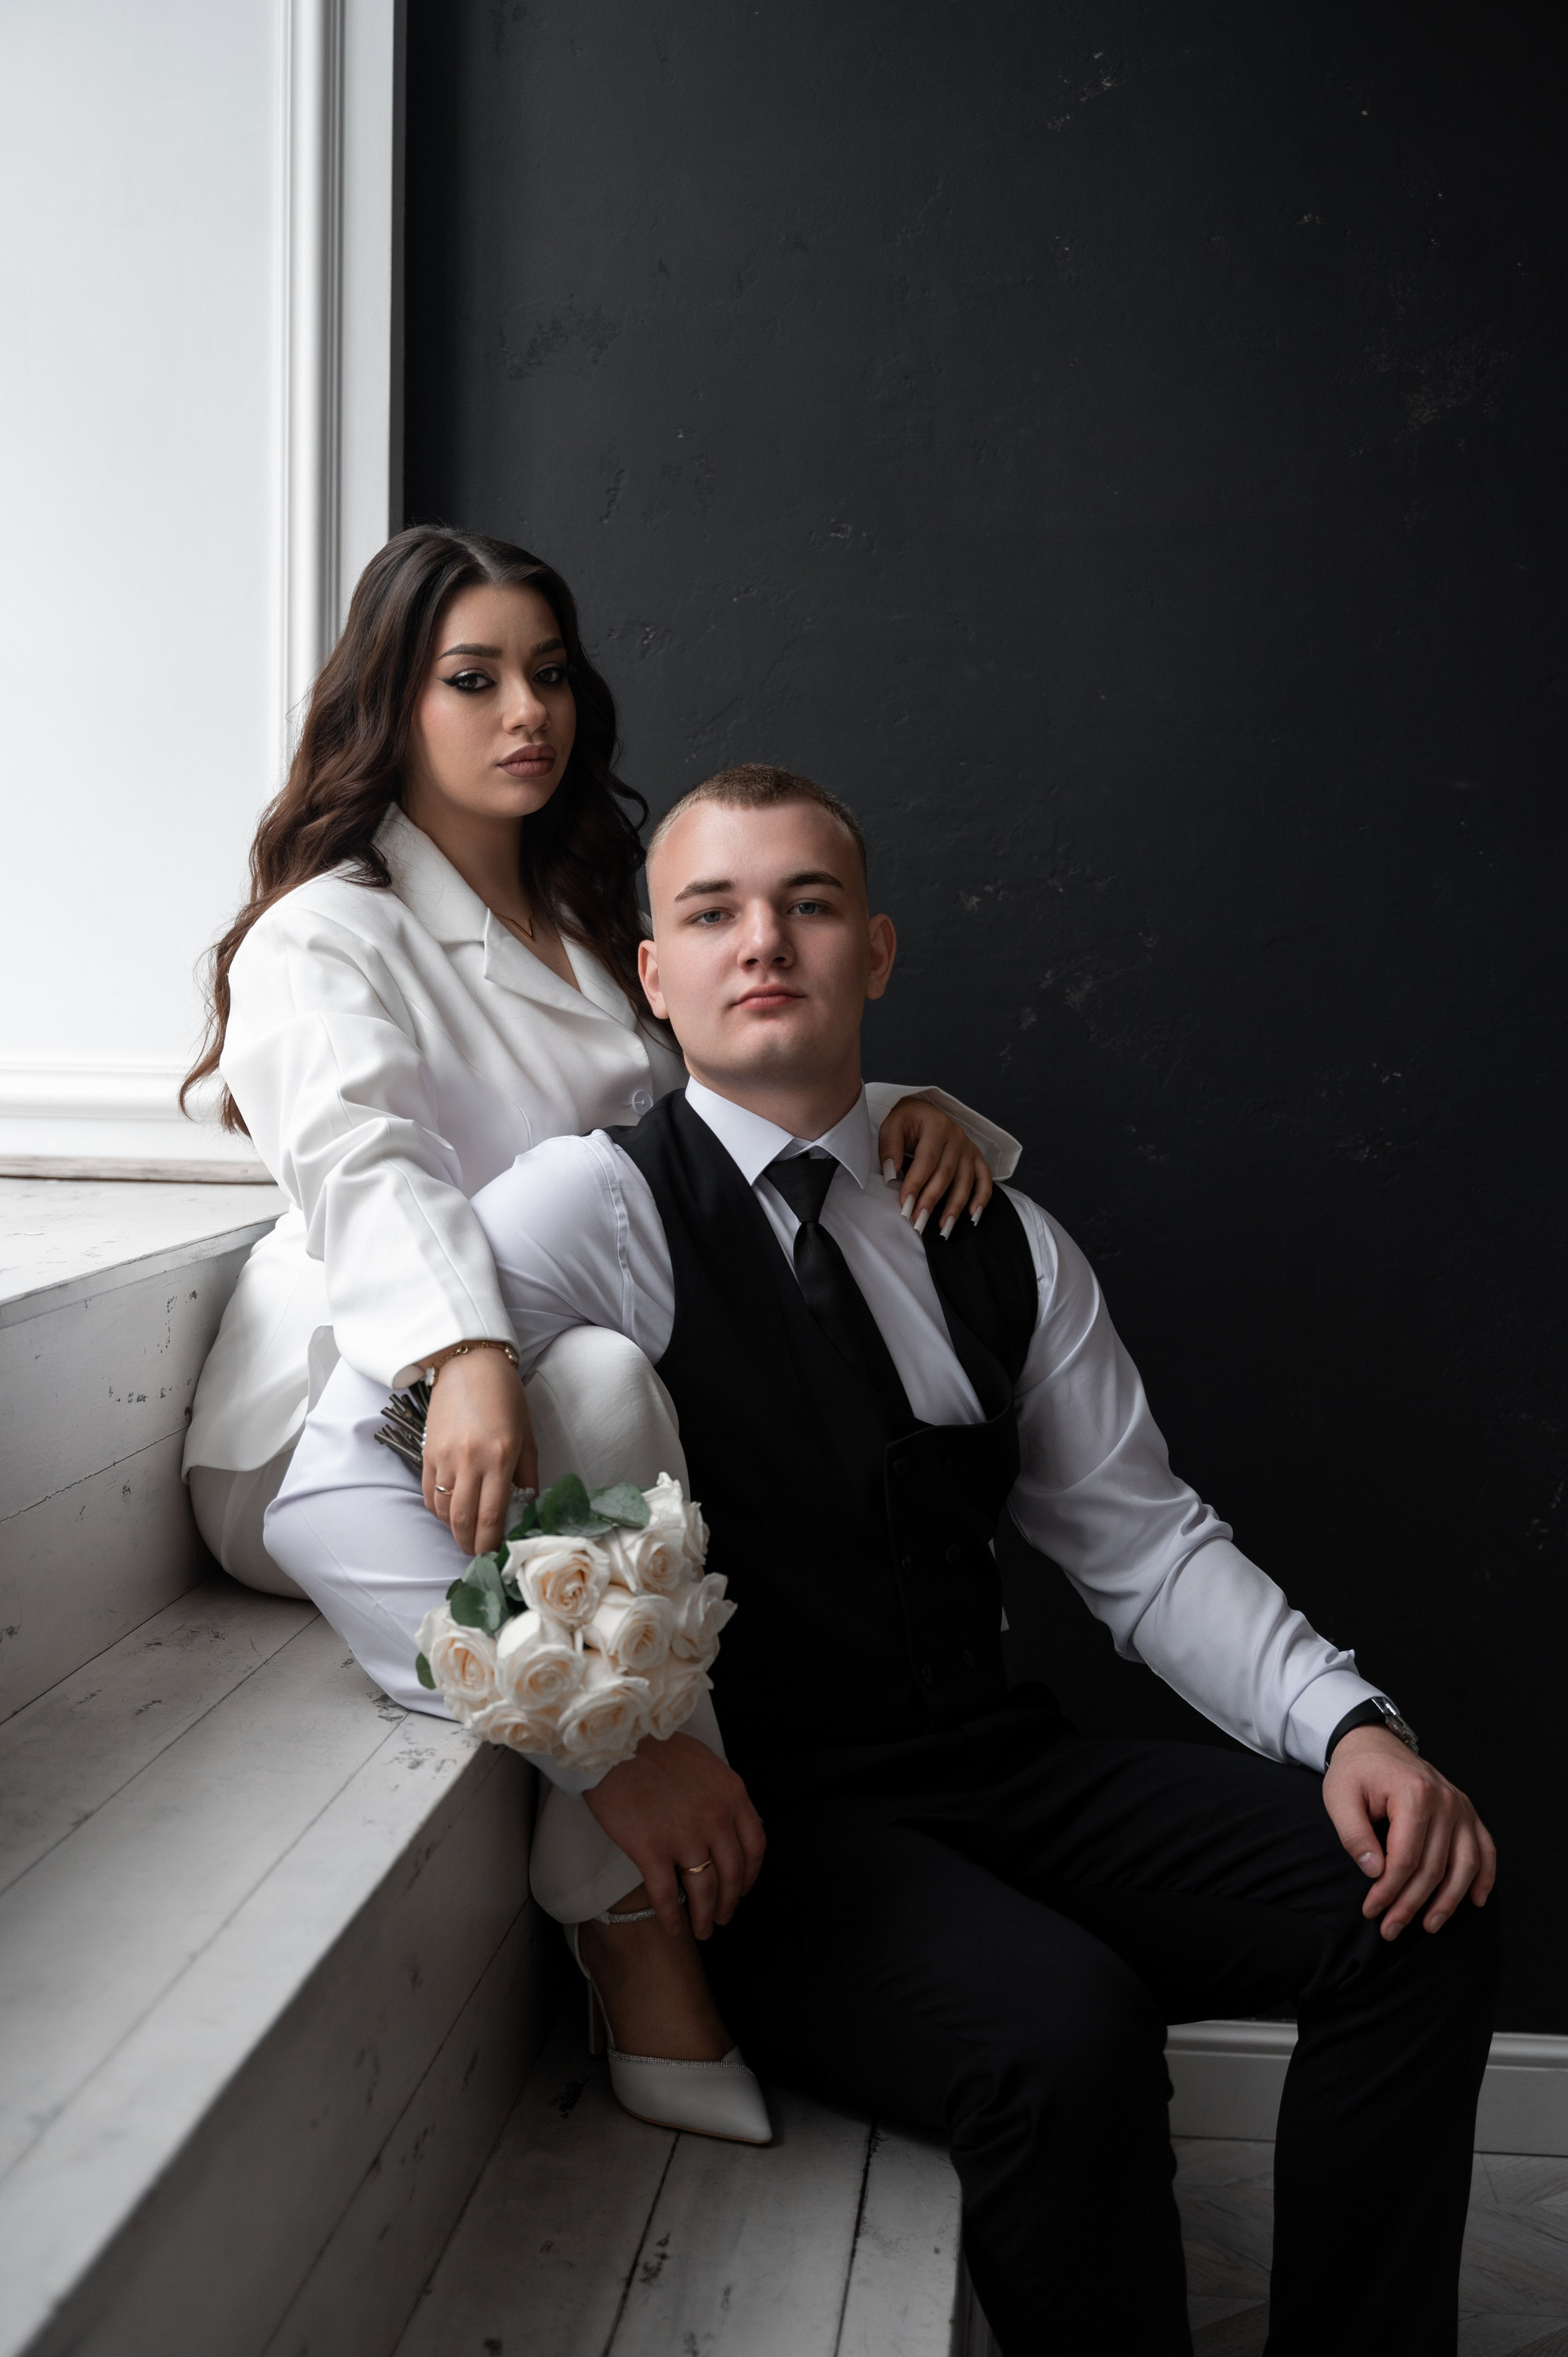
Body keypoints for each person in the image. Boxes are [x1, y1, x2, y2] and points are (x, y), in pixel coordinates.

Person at [270, 763, 1500, 2354]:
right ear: (656, 974)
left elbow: (1143, 1545)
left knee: (1420, 1902)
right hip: (784, 1835)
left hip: (1006, 1771)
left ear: (878, 951)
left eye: (810, 903)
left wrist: (1350, 1724)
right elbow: (328, 1490)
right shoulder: (596, 1206)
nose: (762, 940)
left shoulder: (1001, 1232)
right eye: (712, 912)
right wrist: (606, 1751)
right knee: (1068, 2036)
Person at [180, 531, 1005, 2127]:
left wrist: (906, 1112)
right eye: (473, 678)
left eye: (549, 674)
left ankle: (792, 1891)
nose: (526, 713)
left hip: (557, 1398)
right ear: (391, 700)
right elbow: (366, 1163)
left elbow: (695, 1128)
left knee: (642, 1386)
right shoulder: (328, 929)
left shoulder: (579, 922)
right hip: (347, 1417)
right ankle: (632, 1924)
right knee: (609, 1375)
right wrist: (463, 1350)